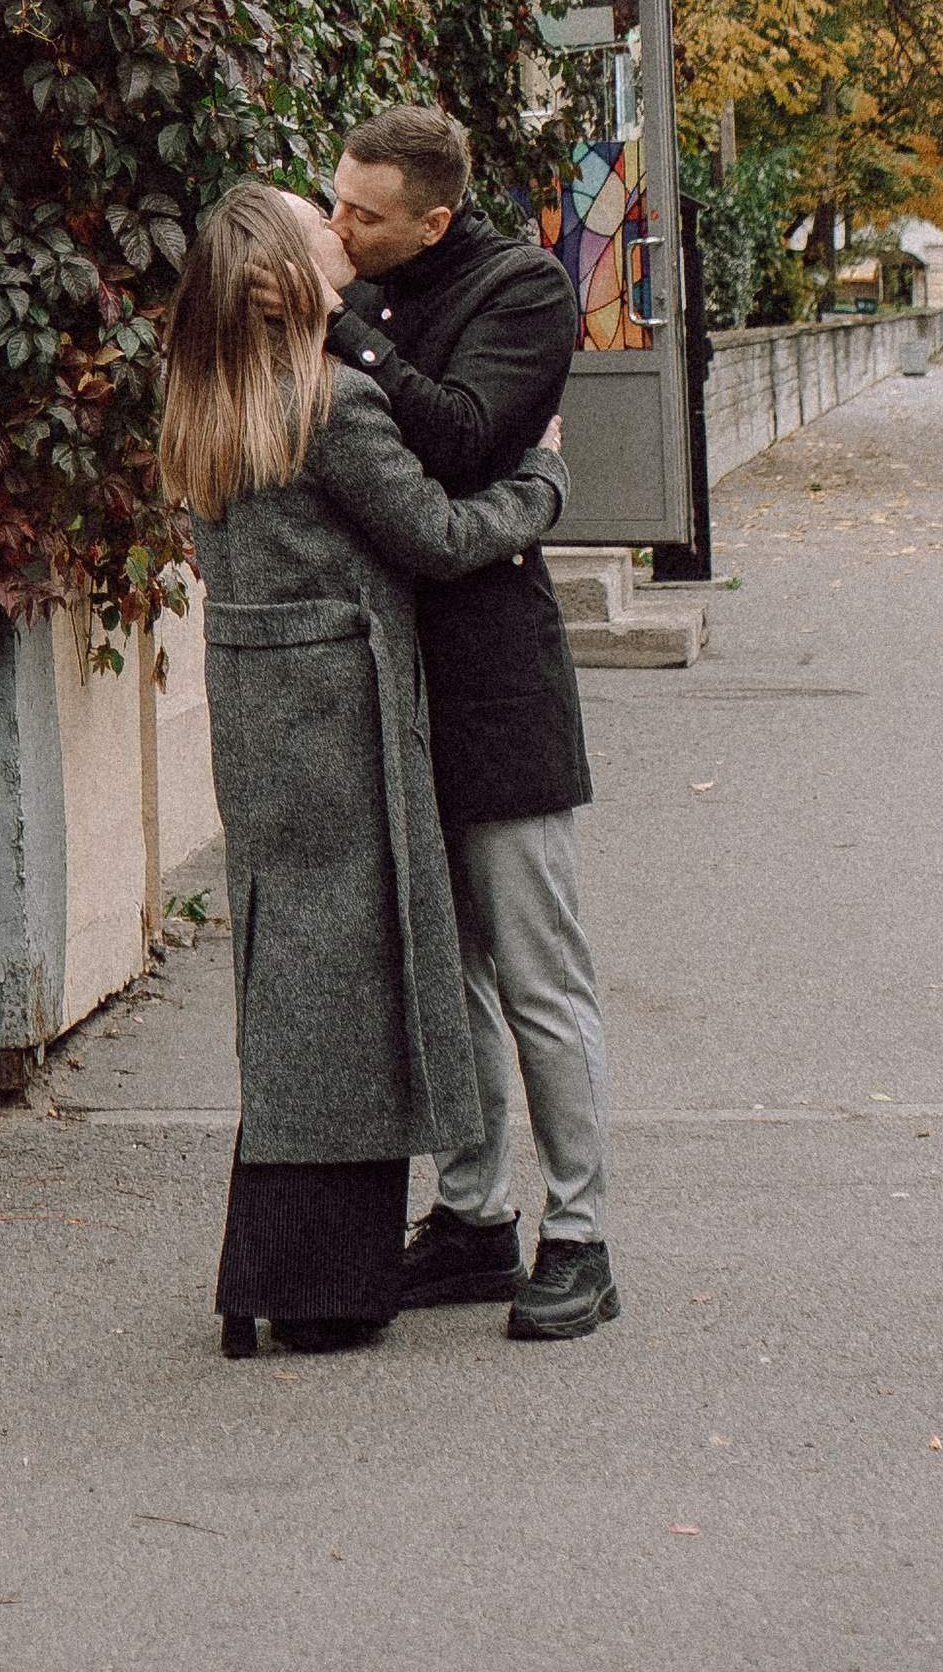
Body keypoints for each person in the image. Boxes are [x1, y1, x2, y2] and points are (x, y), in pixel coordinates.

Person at [162, 179, 570, 1360]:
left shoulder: (206, 398)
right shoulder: (332, 403)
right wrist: (539, 484)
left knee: (290, 969)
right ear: (290, 279)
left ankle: (286, 1262)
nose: (338, 233)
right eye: (317, 225)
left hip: (261, 715)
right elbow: (438, 540)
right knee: (356, 971)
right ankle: (321, 1275)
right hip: (345, 717)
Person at [325, 104, 620, 1342]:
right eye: (334, 200)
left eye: (364, 215)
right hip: (390, 684)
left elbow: (460, 440)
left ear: (432, 220)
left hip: (497, 683)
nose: (337, 226)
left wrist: (341, 336)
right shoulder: (377, 284)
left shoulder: (523, 293)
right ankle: (470, 1220)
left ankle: (581, 1239)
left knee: (539, 979)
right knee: (446, 979)